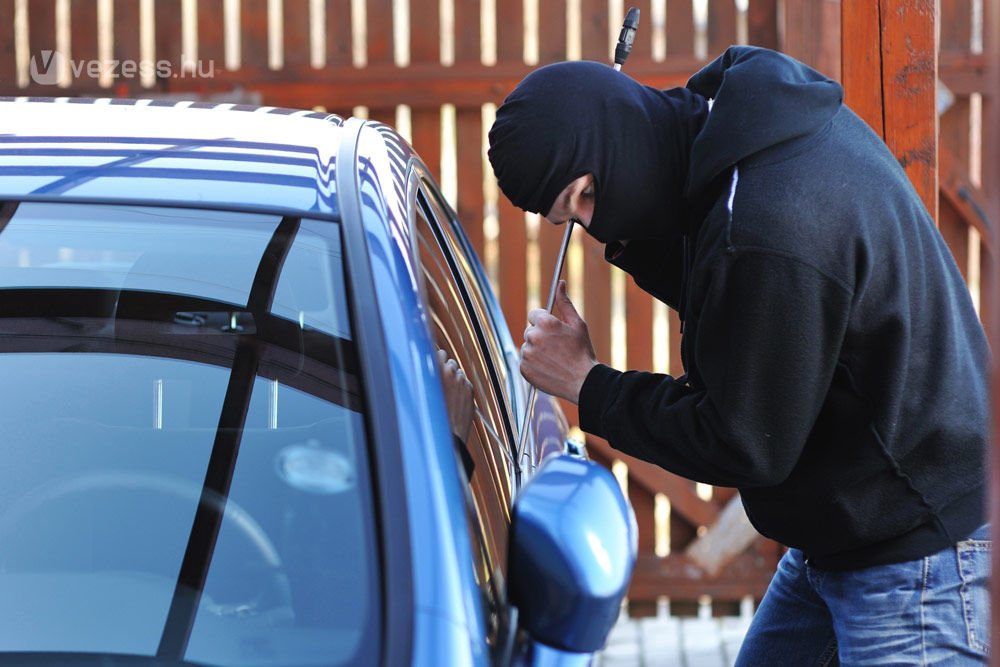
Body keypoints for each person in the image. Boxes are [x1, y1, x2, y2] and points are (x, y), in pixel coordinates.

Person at [487, 45, 990, 665]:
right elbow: (735, 304)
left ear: (615, 134)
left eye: (587, 195)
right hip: (839, 532)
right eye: (572, 218)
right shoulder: (733, 128)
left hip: (917, 555)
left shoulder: (768, 224)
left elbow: (743, 439)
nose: (592, 224)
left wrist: (588, 384)